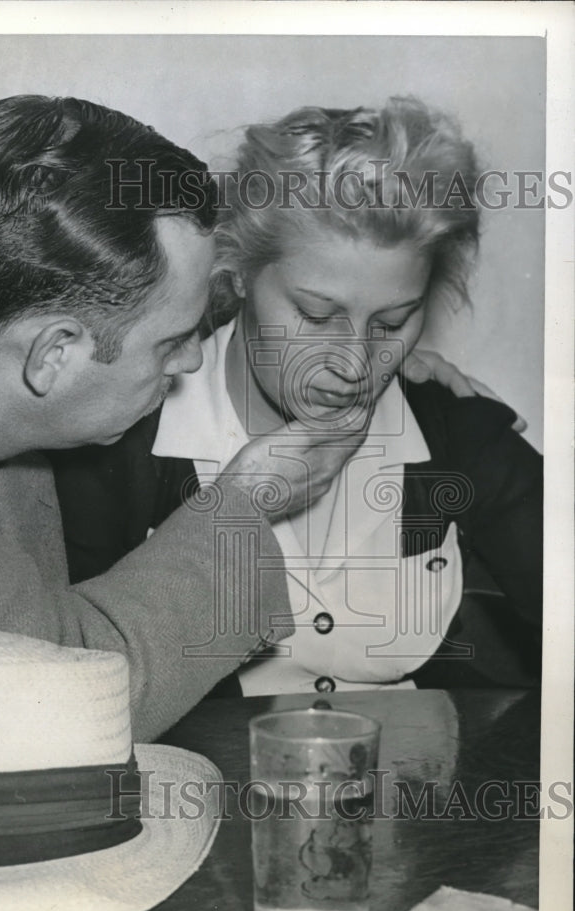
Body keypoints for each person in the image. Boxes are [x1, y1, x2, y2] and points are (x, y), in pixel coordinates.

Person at [0, 94, 382, 741]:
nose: (191, 358)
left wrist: (375, 348)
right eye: (171, 341)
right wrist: (244, 504)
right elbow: (55, 708)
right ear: (54, 355)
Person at [53, 97, 542, 695]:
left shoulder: (456, 431)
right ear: (235, 275)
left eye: (392, 322)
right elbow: (72, 691)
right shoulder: (116, 445)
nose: (356, 363)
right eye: (316, 314)